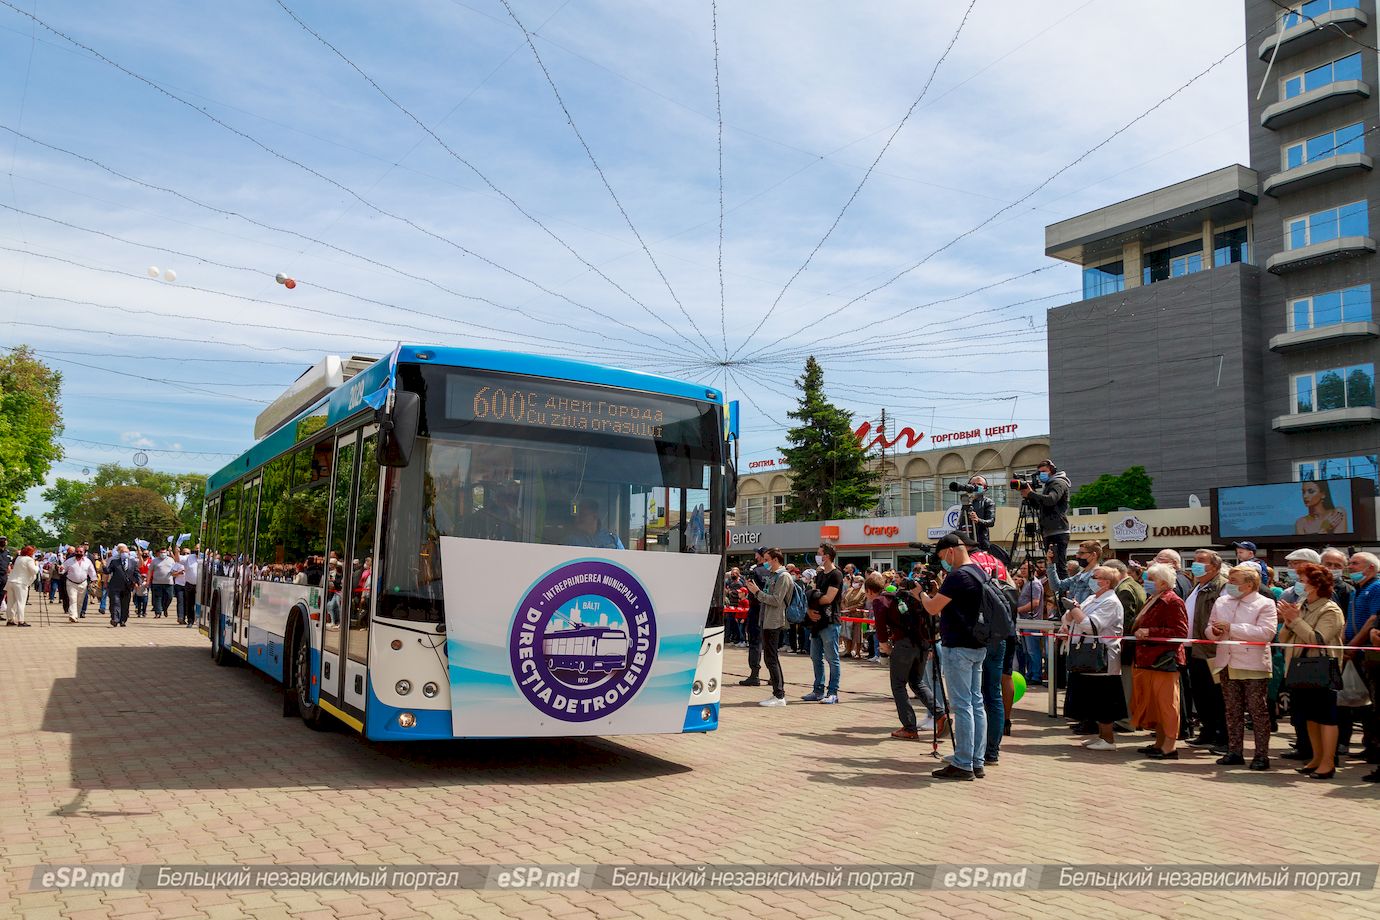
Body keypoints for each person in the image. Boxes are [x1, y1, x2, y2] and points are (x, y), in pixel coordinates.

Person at [920, 532, 988, 781]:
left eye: (942, 557)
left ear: (950, 550)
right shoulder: (979, 571)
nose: (943, 563)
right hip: (977, 643)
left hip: (958, 645)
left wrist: (921, 594)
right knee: (976, 703)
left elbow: (932, 607)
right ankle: (976, 760)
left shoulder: (958, 575)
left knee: (962, 706)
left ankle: (962, 763)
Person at [1278, 562, 1345, 779]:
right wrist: (1289, 622)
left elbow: (1318, 640)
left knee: (1326, 717)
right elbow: (1282, 638)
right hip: (1298, 669)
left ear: (1315, 584)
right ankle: (1316, 758)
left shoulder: (1330, 609)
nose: (1298, 583)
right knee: (1309, 717)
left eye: (1302, 579)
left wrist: (1295, 620)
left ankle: (1328, 762)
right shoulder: (1302, 604)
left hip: (1321, 669)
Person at [1207, 564, 1277, 770]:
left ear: (1249, 585)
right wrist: (1215, 632)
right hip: (1227, 663)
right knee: (1232, 710)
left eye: (1234, 581)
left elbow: (1266, 633)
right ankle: (1234, 751)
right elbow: (1209, 628)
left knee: (1257, 711)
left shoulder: (1264, 603)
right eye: (1229, 580)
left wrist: (1233, 628)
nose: (1229, 584)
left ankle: (1261, 755)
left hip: (1252, 664)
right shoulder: (1221, 601)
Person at [1063, 565, 1126, 750]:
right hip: (1084, 655)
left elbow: (1090, 626)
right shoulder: (1092, 597)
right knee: (1091, 698)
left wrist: (1074, 610)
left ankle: (1108, 739)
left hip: (1102, 658)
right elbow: (1069, 619)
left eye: (1095, 577)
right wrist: (1072, 611)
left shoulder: (1112, 602)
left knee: (1103, 699)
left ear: (1106, 582)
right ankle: (1099, 736)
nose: (1092, 579)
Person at [1131, 562, 1189, 759]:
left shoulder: (1173, 601)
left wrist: (1150, 632)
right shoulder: (1153, 598)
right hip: (1147, 659)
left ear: (1163, 583)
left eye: (1151, 579)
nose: (1146, 582)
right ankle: (1159, 742)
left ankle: (1170, 746)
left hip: (1164, 660)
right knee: (1155, 705)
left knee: (1167, 705)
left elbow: (1180, 632)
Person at [1185, 550, 1229, 749]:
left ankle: (1222, 735)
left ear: (1215, 566)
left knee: (1217, 696)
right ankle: (1207, 730)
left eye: (1201, 561)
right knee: (1201, 694)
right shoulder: (1197, 586)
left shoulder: (1222, 586)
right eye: (1194, 561)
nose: (1196, 564)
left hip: (1212, 650)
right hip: (1195, 649)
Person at [1343, 552, 1380, 780]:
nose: (1350, 566)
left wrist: (1354, 644)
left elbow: (1373, 620)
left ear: (1371, 568)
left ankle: (1376, 747)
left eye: (1355, 563)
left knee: (1375, 701)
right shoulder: (1357, 589)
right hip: (1355, 650)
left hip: (1369, 650)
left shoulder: (1376, 588)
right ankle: (1371, 744)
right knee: (1366, 703)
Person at [745, 548, 791, 707]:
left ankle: (779, 695)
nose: (764, 563)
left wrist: (757, 592)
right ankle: (777, 693)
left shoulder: (783, 576)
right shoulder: (774, 575)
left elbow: (777, 600)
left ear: (775, 560)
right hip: (766, 620)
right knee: (770, 657)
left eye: (766, 559)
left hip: (774, 621)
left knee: (771, 658)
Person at [1105, 558, 1144, 730]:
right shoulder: (1133, 585)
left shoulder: (1124, 589)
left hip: (1127, 644)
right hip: (1133, 644)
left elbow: (1125, 620)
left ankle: (1126, 720)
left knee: (1126, 684)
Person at [1016, 459, 1072, 579]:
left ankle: (1064, 593)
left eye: (1044, 471)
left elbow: (1051, 500)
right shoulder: (1049, 485)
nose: (1042, 474)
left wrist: (1031, 494)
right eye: (1040, 472)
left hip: (1058, 530)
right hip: (1049, 530)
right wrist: (1030, 496)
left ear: (1052, 470)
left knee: (1059, 566)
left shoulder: (1058, 483)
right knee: (1052, 565)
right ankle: (1057, 592)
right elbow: (1040, 506)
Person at [802, 543, 843, 704]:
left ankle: (832, 692)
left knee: (832, 658)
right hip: (816, 621)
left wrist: (813, 595)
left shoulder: (836, 574)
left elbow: (828, 598)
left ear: (826, 556)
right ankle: (818, 690)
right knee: (815, 657)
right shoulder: (819, 575)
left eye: (819, 553)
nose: (817, 556)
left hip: (830, 621)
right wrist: (809, 610)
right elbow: (812, 594)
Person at [1015, 562, 1045, 685]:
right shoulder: (1027, 583)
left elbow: (1035, 602)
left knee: (1033, 650)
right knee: (1027, 650)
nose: (1022, 570)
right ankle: (1030, 673)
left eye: (1025, 568)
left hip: (1032, 621)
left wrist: (1018, 610)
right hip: (1024, 621)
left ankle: (1036, 675)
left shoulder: (1035, 584)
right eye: (1021, 568)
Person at [105, 544, 139, 628]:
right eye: (122, 552)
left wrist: (137, 582)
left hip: (127, 587)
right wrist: (104, 566)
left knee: (125, 605)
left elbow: (136, 573)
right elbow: (108, 571)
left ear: (129, 552)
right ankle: (115, 619)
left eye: (126, 552)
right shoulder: (114, 562)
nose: (124, 553)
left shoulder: (133, 562)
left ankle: (123, 620)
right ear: (119, 553)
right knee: (115, 603)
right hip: (115, 586)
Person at [5, 544, 38, 626]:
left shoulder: (18, 558)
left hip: (11, 581)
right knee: (21, 602)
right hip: (20, 583)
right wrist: (37, 565)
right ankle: (21, 621)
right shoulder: (29, 559)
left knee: (10, 602)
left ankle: (10, 619)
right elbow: (34, 571)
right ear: (30, 552)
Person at [62, 547, 97, 624]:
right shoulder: (69, 561)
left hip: (83, 583)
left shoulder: (88, 561)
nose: (79, 553)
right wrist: (61, 569)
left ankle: (76, 615)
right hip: (71, 583)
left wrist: (94, 579)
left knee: (80, 601)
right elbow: (63, 569)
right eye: (77, 551)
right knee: (73, 599)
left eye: (80, 552)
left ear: (84, 552)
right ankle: (72, 615)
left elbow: (92, 571)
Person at [965, 475, 997, 551]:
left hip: (981, 545)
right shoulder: (965, 502)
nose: (975, 487)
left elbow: (991, 522)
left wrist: (978, 520)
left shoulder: (988, 502)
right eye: (973, 484)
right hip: (966, 544)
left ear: (985, 488)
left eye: (979, 484)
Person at [148, 548, 179, 619]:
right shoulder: (155, 560)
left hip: (169, 582)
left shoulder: (171, 560)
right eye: (161, 552)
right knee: (158, 598)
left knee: (169, 597)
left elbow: (175, 569)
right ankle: (158, 613)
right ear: (159, 553)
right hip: (157, 583)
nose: (163, 554)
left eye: (164, 552)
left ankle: (165, 608)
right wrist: (148, 580)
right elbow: (150, 570)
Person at [841, 574, 866, 659]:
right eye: (853, 581)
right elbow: (843, 600)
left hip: (857, 616)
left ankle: (858, 652)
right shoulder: (849, 590)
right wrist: (844, 608)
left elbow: (861, 604)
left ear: (861, 583)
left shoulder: (863, 592)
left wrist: (849, 609)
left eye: (856, 582)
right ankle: (848, 651)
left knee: (858, 635)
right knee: (848, 634)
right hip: (847, 615)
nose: (854, 583)